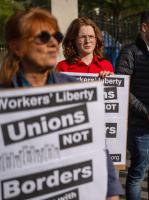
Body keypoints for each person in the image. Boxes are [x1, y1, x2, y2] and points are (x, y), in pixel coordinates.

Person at [0, 8, 123, 200]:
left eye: (56, 36)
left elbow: (97, 145)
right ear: (16, 46)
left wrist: (111, 192)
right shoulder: (5, 96)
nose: (53, 42)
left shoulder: (74, 88)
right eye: (42, 37)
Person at [115, 10, 149, 200]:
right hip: (141, 127)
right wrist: (146, 112)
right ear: (144, 27)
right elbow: (123, 90)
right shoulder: (129, 52)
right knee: (137, 175)